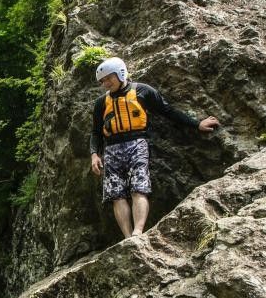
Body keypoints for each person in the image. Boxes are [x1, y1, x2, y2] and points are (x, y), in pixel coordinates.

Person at [89, 57, 221, 238]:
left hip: (137, 143)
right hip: (111, 149)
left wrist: (196, 124)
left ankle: (138, 232)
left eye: (108, 78)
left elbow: (168, 111)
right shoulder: (101, 103)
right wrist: (94, 154)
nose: (105, 83)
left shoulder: (143, 91)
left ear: (120, 73)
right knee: (116, 195)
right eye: (102, 81)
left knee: (139, 187)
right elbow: (96, 132)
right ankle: (128, 238)